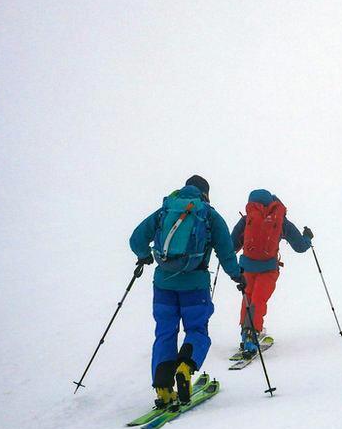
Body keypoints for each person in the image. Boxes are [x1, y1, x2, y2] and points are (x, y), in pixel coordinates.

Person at [129, 175, 245, 409]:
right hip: (195, 287)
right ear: (206, 194)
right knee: (197, 330)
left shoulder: (165, 211)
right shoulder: (209, 215)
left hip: (163, 286)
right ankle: (185, 367)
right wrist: (237, 276)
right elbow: (226, 251)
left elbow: (136, 238)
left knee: (165, 334)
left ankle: (163, 388)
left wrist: (144, 256)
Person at [231, 189, 313, 356]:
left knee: (248, 297)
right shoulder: (279, 220)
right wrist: (308, 238)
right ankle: (252, 336)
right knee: (259, 300)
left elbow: (231, 245)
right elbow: (300, 247)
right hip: (268, 268)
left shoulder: (247, 220)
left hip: (246, 267)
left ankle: (246, 332)